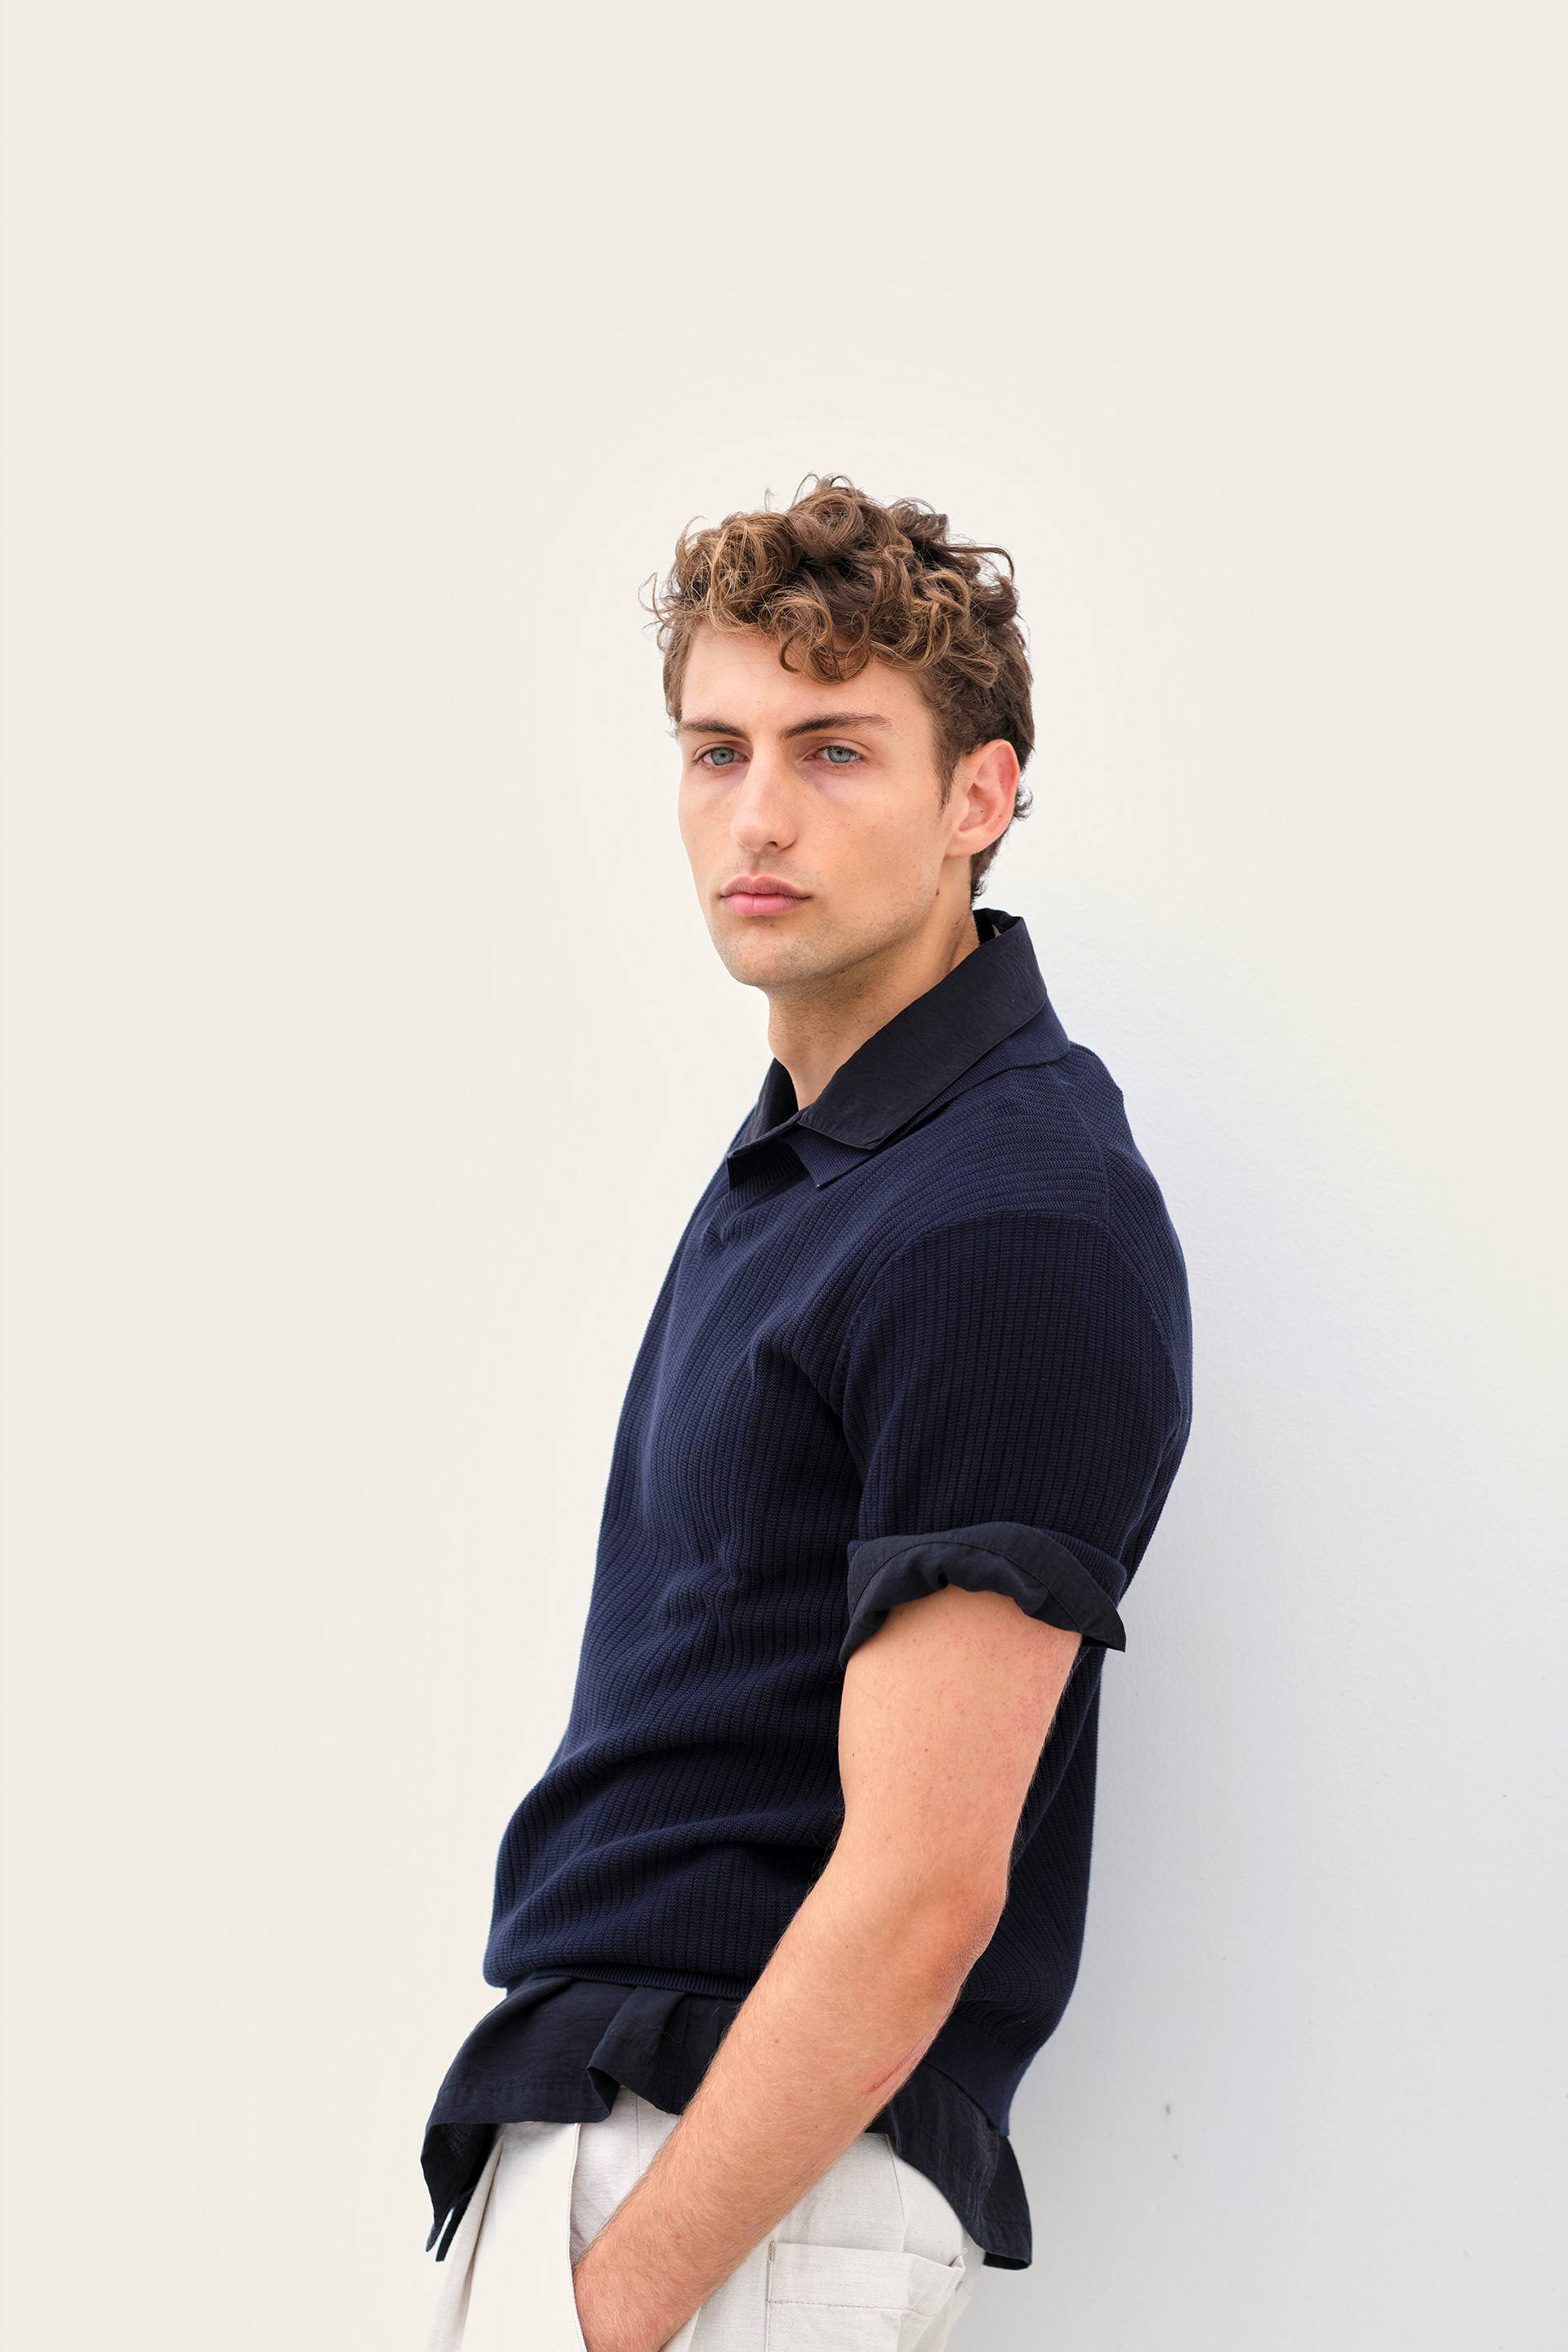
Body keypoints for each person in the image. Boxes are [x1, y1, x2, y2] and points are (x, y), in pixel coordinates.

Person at [421, 477, 1192, 2351]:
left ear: (979, 797)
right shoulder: (831, 1158)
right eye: (718, 751)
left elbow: (925, 1889)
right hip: (646, 2154)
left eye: (835, 751)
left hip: (734, 2193)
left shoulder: (1007, 1219)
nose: (756, 816)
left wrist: (616, 2309)